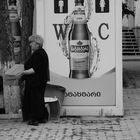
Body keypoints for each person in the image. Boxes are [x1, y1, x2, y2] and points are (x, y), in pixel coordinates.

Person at [21, 34, 50, 126]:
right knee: (39, 99)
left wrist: (22, 72)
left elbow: (34, 69)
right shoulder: (42, 53)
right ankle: (42, 117)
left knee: (34, 100)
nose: (30, 45)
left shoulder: (38, 54)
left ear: (37, 43)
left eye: (31, 42)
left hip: (35, 82)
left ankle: (34, 119)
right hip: (39, 81)